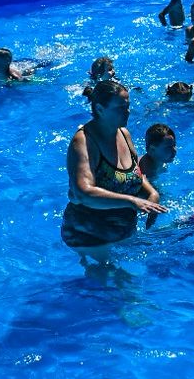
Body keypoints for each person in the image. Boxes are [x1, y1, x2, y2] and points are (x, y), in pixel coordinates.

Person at [61, 79, 164, 258]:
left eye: (128, 106)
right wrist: (132, 201)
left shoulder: (123, 133)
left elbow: (135, 174)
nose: (127, 112)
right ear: (100, 109)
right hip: (88, 236)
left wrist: (151, 193)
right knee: (121, 277)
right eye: (120, 108)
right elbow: (83, 193)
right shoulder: (84, 142)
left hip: (122, 233)